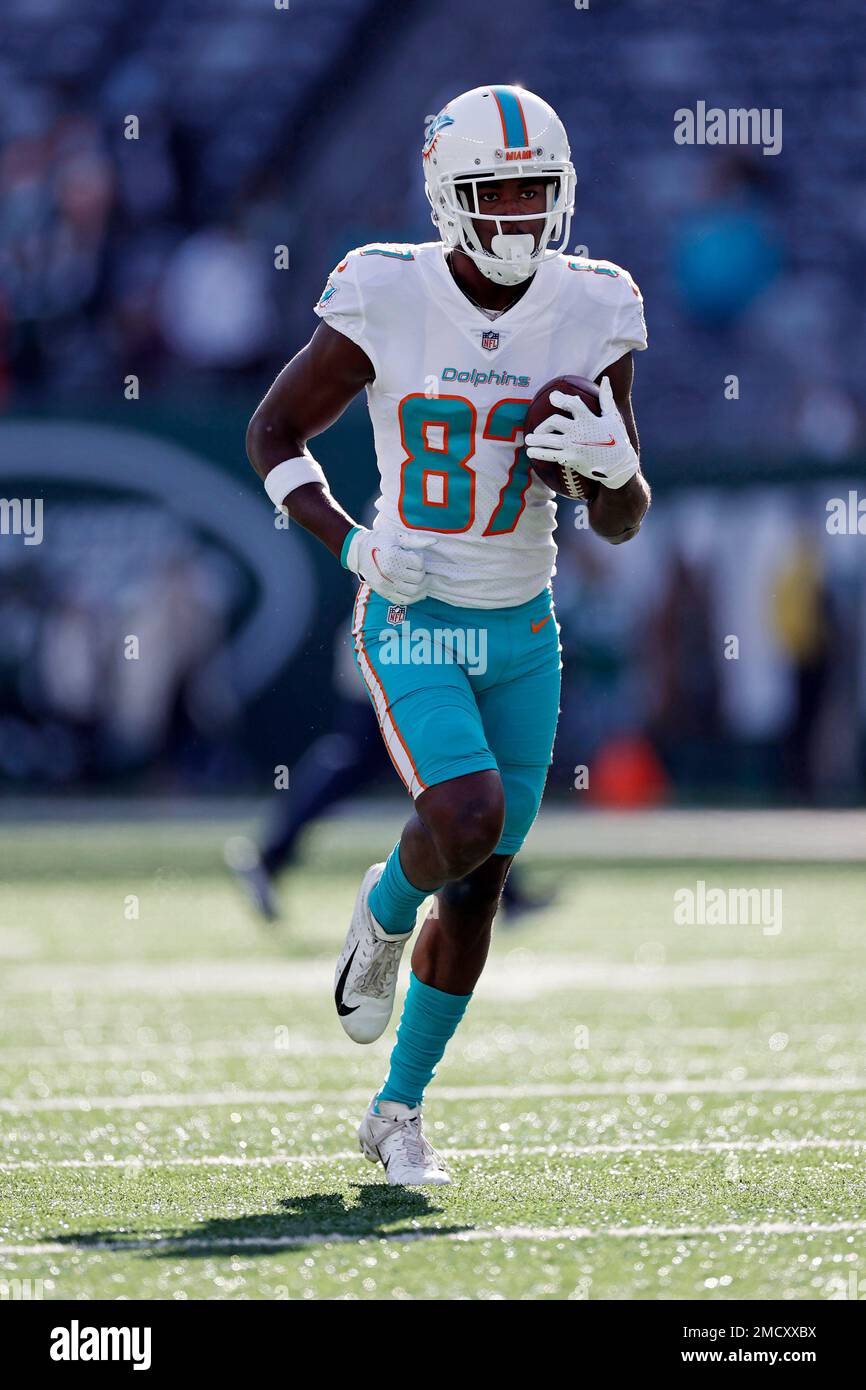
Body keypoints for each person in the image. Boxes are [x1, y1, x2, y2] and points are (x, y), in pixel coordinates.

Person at [247, 85, 649, 1185]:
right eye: (494, 192)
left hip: (524, 622)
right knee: (460, 816)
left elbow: (616, 514)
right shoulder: (384, 288)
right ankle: (380, 912)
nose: (518, 215)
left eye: (535, 191)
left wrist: (618, 474)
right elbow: (273, 429)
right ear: (444, 196)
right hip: (414, 609)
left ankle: (396, 1110)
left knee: (477, 881)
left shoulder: (594, 303)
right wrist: (348, 544)